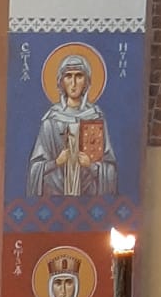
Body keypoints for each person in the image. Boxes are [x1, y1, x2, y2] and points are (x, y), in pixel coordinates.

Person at [27, 53, 117, 197]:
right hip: (55, 196)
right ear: (61, 81)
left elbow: (110, 169)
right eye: (68, 76)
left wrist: (91, 166)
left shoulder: (95, 117)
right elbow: (35, 169)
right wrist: (57, 162)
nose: (73, 83)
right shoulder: (51, 121)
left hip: (88, 197)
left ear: (86, 82)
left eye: (79, 76)